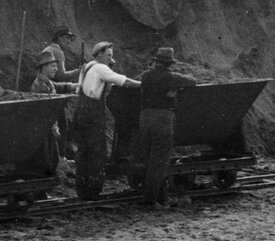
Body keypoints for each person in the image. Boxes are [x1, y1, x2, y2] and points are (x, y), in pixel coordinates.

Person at [69, 41, 140, 200]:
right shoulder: (101, 68)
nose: (110, 59)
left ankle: (82, 188)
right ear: (100, 54)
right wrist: (143, 85)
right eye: (109, 55)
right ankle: (93, 189)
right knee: (97, 151)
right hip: (92, 113)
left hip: (80, 111)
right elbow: (123, 81)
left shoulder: (87, 67)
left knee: (83, 151)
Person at [131, 46, 198, 207]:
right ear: (169, 64)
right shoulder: (171, 77)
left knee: (148, 159)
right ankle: (151, 200)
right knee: (159, 162)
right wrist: (174, 88)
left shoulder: (145, 76)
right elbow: (192, 81)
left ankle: (161, 198)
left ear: (156, 61)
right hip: (163, 121)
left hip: (145, 120)